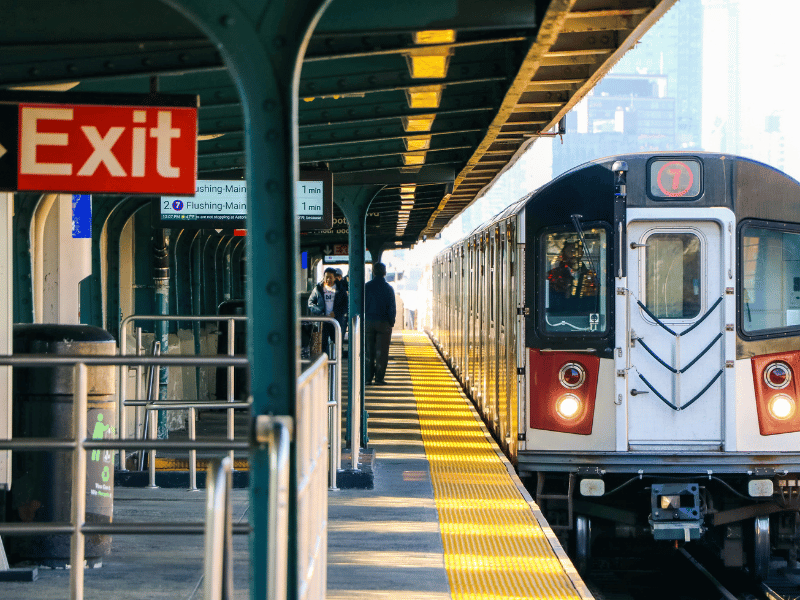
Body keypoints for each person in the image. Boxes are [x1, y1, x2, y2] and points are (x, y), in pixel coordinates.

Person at [364, 262, 396, 385]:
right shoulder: (388, 288)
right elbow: (392, 308)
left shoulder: (367, 287)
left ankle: (367, 379)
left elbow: (362, 304)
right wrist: (391, 323)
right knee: (382, 353)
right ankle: (379, 378)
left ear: (373, 272)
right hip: (384, 323)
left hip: (368, 323)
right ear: (384, 273)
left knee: (368, 352)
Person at [546, 239, 597, 314]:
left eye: (577, 251)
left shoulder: (590, 275)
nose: (574, 254)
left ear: (582, 253)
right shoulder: (553, 274)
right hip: (558, 314)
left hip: (585, 314)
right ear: (564, 254)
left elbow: (595, 297)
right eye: (571, 251)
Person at [307, 267, 348, 356]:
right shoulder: (318, 289)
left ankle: (336, 365)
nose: (328, 279)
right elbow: (310, 303)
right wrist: (320, 312)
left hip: (336, 321)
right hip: (323, 321)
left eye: (330, 277)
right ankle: (325, 365)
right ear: (324, 277)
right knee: (322, 345)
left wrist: (336, 313)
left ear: (335, 278)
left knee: (337, 344)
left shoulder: (341, 289)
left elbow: (345, 305)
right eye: (326, 277)